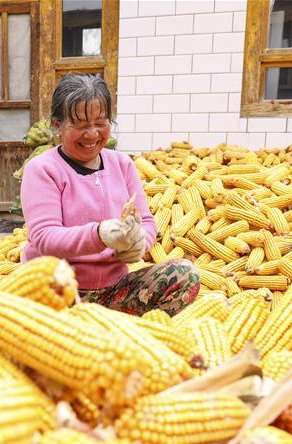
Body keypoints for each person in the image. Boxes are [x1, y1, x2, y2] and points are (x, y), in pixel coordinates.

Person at [20, 74, 200, 316]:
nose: (92, 134)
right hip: (56, 290)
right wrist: (100, 234)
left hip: (114, 290)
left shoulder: (122, 164)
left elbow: (146, 222)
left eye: (101, 122)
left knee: (185, 275)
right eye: (81, 125)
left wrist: (138, 244)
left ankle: (119, 327)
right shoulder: (43, 169)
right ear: (57, 127)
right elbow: (44, 237)